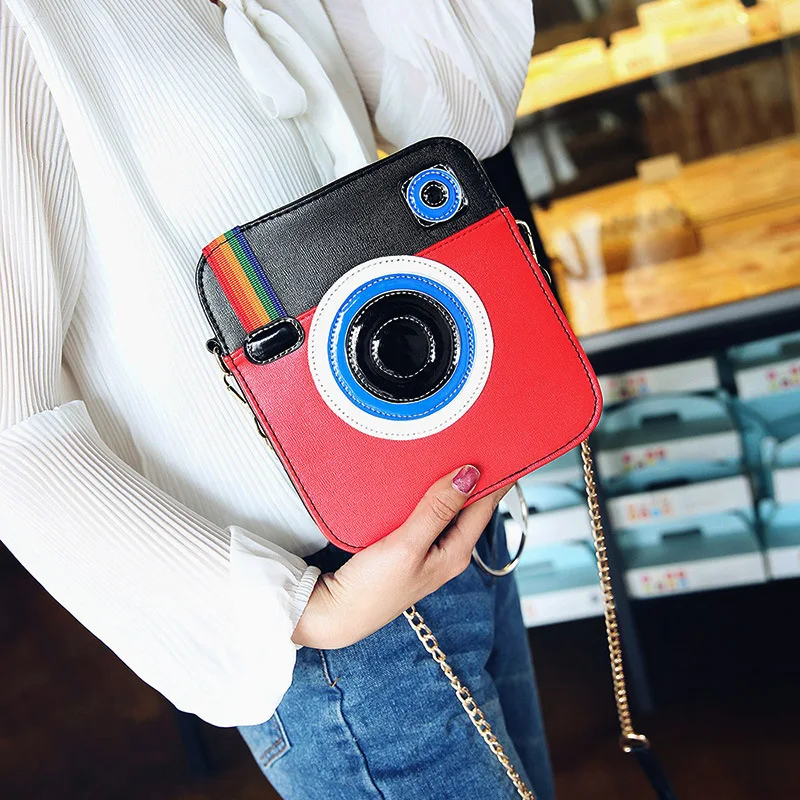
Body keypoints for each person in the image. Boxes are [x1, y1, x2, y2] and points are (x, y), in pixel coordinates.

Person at [0, 1, 554, 797]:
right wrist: (298, 610)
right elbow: (12, 433)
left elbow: (462, 109)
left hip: (456, 521)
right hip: (343, 631)